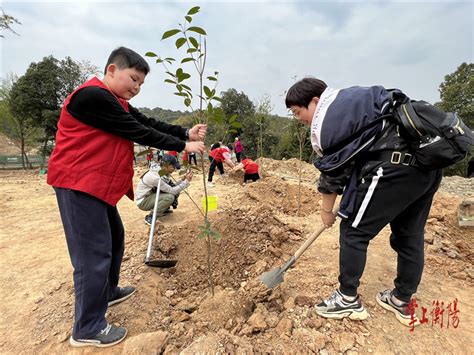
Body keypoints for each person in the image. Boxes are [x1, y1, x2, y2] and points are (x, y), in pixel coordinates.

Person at [47, 46, 206, 348]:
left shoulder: (114, 101)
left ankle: (107, 291)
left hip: (95, 184)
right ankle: (87, 327)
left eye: (141, 84)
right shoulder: (91, 97)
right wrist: (182, 147)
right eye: (133, 79)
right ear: (111, 71)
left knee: (115, 238)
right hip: (77, 182)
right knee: (93, 253)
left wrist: (185, 131)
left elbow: (147, 122)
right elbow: (137, 131)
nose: (136, 87)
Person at [285, 77, 442, 327]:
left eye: (297, 112)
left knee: (353, 231)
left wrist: (326, 210)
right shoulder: (352, 99)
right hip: (427, 168)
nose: (299, 119)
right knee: (409, 234)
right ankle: (401, 299)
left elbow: (333, 174)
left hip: (393, 168)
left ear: (314, 101)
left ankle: (347, 298)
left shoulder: (326, 120)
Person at [136, 154, 192, 225]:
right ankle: (151, 216)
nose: (174, 169)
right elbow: (172, 191)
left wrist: (182, 180)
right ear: (166, 166)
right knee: (169, 197)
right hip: (143, 201)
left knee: (171, 192)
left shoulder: (160, 171)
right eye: (172, 167)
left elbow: (170, 186)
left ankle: (163, 209)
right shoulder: (156, 177)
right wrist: (186, 182)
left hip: (150, 196)